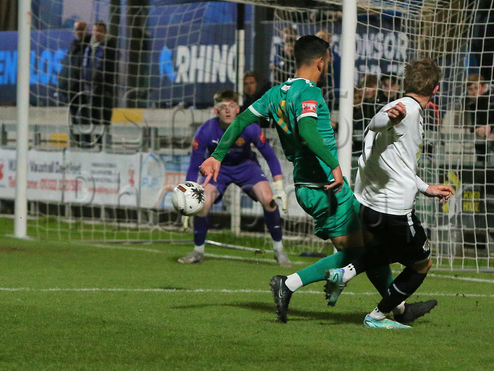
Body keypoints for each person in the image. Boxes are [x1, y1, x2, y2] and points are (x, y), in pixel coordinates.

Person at [200, 36, 436, 324]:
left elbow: (239, 120)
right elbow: (309, 131)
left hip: (306, 185)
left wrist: (217, 156)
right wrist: (335, 166)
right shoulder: (309, 93)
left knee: (365, 246)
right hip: (326, 186)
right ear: (321, 61)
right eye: (328, 60)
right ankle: (288, 284)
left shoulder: (275, 93)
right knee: (360, 251)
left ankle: (399, 309)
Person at [324, 58, 454, 329]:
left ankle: (345, 274)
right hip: (393, 209)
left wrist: (426, 188)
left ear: (406, 83)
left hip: (369, 205)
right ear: (437, 89)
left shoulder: (399, 107)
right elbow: (378, 122)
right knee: (421, 263)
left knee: (390, 250)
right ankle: (378, 316)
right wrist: (389, 117)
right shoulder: (406, 110)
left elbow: (396, 161)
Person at [179, 89, 290, 266]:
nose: (228, 110)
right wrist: (189, 197)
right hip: (218, 170)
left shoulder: (250, 128)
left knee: (269, 199)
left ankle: (279, 250)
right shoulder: (204, 131)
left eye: (232, 106)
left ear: (238, 109)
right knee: (203, 203)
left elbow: (270, 155)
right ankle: (198, 251)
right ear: (216, 110)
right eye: (223, 107)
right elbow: (194, 165)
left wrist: (279, 186)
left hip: (247, 167)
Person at [76, 20, 117, 147]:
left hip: (104, 89)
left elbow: (110, 69)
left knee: (105, 117)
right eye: (95, 31)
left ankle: (106, 142)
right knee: (93, 115)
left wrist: (106, 85)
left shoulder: (109, 47)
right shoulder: (89, 47)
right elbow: (86, 67)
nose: (97, 34)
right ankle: (98, 141)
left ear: (105, 33)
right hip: (90, 88)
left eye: (100, 31)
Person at [58, 21, 90, 106]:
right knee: (75, 115)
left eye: (81, 29)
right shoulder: (74, 45)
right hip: (72, 89)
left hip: (82, 89)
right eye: (77, 30)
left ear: (86, 30)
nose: (79, 32)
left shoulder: (89, 46)